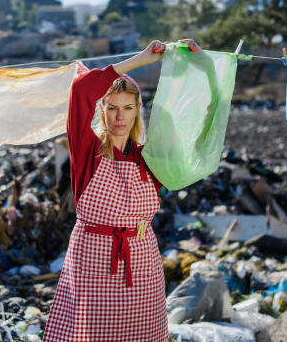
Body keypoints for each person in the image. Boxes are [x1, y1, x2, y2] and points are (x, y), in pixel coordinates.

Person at [43, 39, 201, 342]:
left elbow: (193, 120)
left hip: (141, 261)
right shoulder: (86, 150)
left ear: (138, 109)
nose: (120, 117)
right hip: (92, 260)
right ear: (102, 109)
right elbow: (80, 91)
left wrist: (197, 63)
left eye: (128, 107)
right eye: (112, 107)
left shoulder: (149, 157)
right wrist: (140, 60)